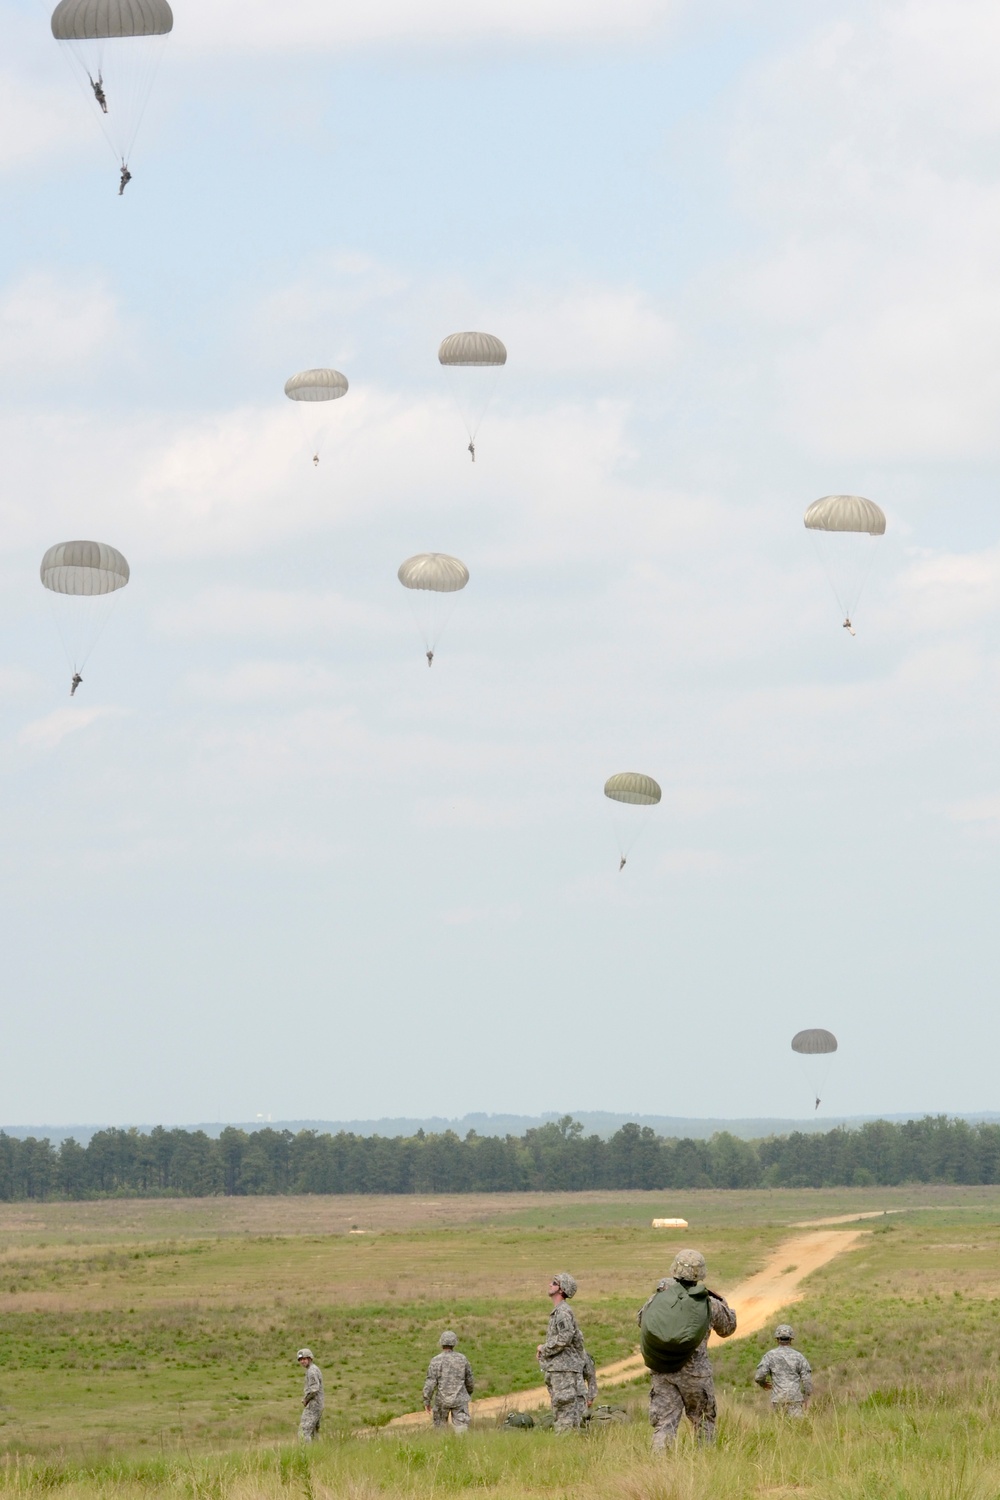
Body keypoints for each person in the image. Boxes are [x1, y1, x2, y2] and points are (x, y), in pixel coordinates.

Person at [638, 1249, 736, 1451]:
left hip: (662, 1370)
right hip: (695, 1373)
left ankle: (659, 1470)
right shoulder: (709, 1303)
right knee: (703, 1421)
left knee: (664, 1424)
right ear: (700, 1274)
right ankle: (704, 1463)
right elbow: (728, 1329)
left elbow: (642, 1320)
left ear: (675, 1270)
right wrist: (724, 1303)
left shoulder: (658, 1299)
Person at [536, 1273, 586, 1433]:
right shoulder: (559, 1311)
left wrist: (544, 1349)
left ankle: (565, 1445)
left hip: (563, 1370)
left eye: (554, 1283)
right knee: (568, 1412)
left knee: (564, 1412)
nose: (550, 1284)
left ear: (562, 1289)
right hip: (561, 1368)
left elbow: (565, 1337)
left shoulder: (563, 1312)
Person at [423, 1330, 474, 1433]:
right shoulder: (462, 1359)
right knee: (461, 1428)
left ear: (441, 1343)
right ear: (454, 1343)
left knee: (440, 1429)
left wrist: (426, 1400)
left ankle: (443, 1447)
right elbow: (469, 1380)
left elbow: (430, 1382)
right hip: (460, 1399)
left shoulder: (436, 1361)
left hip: (441, 1400)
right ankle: (461, 1447)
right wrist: (468, 1392)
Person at [754, 1325, 812, 1416]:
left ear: (777, 1339)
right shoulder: (799, 1357)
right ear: (791, 1339)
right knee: (797, 1428)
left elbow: (759, 1376)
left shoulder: (769, 1356)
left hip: (778, 1400)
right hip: (795, 1400)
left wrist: (763, 1384)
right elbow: (807, 1381)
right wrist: (806, 1398)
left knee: (780, 1428)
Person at [296, 1348, 324, 1441]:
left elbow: (314, 1389)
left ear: (310, 1358)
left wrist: (306, 1399)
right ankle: (316, 1452)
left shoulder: (311, 1371)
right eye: (300, 1360)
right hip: (318, 1404)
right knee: (313, 1432)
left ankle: (306, 1453)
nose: (302, 1361)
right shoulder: (313, 1369)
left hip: (313, 1405)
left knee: (303, 1432)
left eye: (304, 1359)